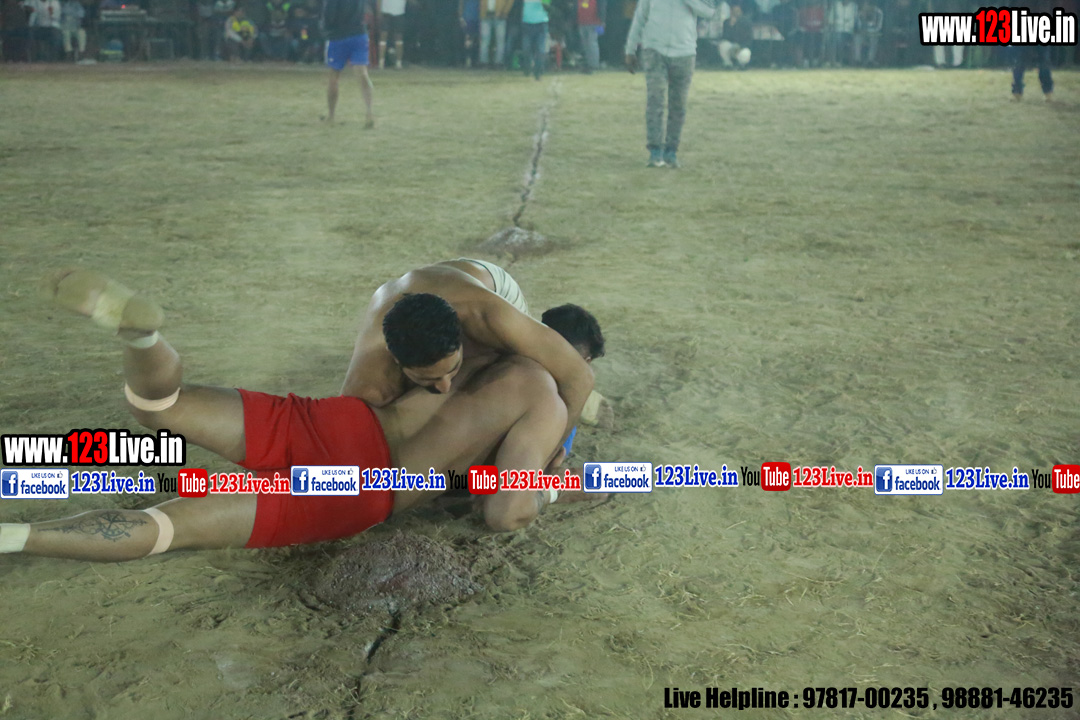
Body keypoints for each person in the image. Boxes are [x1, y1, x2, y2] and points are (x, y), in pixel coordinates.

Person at [0, 270, 601, 563]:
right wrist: (549, 479)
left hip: (332, 423)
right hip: (357, 491)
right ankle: (18, 536)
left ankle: (144, 338)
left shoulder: (444, 333)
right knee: (168, 526)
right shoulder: (542, 394)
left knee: (160, 406)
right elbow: (506, 511)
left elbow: (371, 400)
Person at [341, 259, 596, 439]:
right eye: (427, 379)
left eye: (452, 369)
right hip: (428, 294)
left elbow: (578, 376)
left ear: (462, 336)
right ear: (397, 361)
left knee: (528, 379)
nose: (445, 387)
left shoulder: (487, 317)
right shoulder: (367, 385)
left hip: (486, 286)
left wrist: (552, 453)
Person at [624, 0, 718, 168]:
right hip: (654, 50)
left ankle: (671, 151)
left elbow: (709, 11)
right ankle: (655, 151)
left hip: (684, 53)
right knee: (655, 100)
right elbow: (640, 16)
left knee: (678, 105)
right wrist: (630, 49)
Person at [322, 0, 375, 126]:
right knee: (362, 73)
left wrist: (326, 29)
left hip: (338, 36)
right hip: (359, 33)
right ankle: (369, 113)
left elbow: (329, 14)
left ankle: (331, 116)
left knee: (334, 76)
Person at [520, 0, 549, 78]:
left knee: (540, 49)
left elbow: (547, 6)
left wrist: (543, 3)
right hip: (527, 22)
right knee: (526, 48)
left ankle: (538, 71)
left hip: (541, 23)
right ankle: (528, 67)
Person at [479, 0, 512, 65]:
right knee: (485, 40)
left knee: (500, 41)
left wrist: (505, 12)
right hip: (486, 15)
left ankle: (498, 62)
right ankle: (483, 62)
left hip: (500, 16)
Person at [576, 0, 605, 72]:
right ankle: (589, 63)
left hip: (595, 22)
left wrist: (602, 21)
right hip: (582, 22)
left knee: (592, 43)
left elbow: (602, 7)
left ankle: (594, 64)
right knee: (586, 44)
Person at [378, 0, 406, 68]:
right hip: (385, 11)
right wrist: (379, 11)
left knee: (399, 38)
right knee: (383, 36)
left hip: (399, 12)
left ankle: (398, 63)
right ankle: (381, 62)